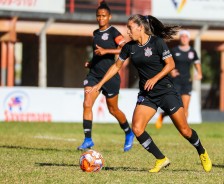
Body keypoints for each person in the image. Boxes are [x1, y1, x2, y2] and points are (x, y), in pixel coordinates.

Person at [89, 14, 212, 173]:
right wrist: (99, 83)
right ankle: (161, 159)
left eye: (130, 28)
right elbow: (116, 67)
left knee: (185, 130)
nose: (127, 31)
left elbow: (170, 64)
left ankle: (201, 151)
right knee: (137, 128)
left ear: (140, 28)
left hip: (166, 91)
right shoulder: (129, 47)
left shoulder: (157, 42)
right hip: (147, 94)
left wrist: (154, 78)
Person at [77, 1, 134, 152]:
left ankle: (129, 132)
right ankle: (88, 139)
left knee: (113, 110)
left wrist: (106, 51)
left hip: (110, 76)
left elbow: (125, 49)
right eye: (98, 16)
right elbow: (98, 54)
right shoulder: (95, 34)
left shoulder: (114, 32)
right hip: (94, 75)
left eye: (104, 16)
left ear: (109, 16)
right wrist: (91, 62)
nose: (100, 18)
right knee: (87, 103)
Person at [155, 30, 202, 129]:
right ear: (180, 38)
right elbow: (166, 63)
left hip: (187, 82)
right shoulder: (174, 51)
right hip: (175, 81)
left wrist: (199, 74)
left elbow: (196, 63)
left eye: (186, 36)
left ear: (189, 39)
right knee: (175, 106)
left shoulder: (192, 51)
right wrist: (170, 72)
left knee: (185, 107)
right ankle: (163, 115)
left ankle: (184, 129)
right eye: (182, 36)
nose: (184, 38)